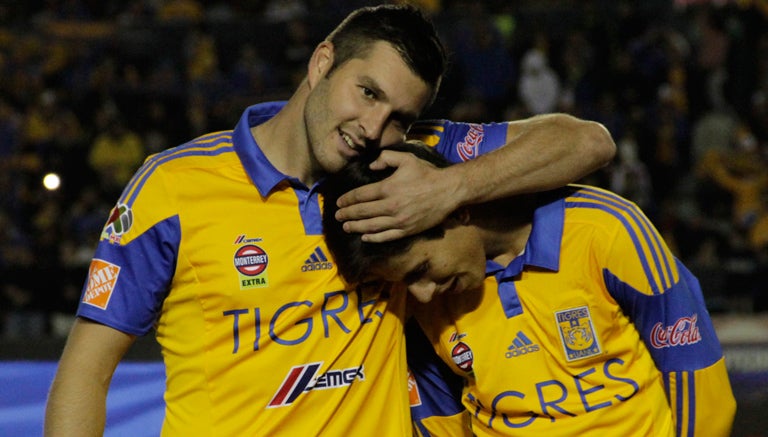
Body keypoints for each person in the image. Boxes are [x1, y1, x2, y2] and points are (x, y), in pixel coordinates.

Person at [44, 4, 616, 436]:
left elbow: (587, 143)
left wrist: (451, 186)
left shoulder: (406, 164)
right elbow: (86, 371)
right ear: (322, 63)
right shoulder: (173, 189)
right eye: (366, 92)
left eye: (399, 117)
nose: (373, 127)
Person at [321, 141, 736, 436]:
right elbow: (437, 409)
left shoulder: (604, 230)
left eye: (422, 269)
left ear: (453, 209)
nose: (423, 294)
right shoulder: (422, 298)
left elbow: (695, 375)